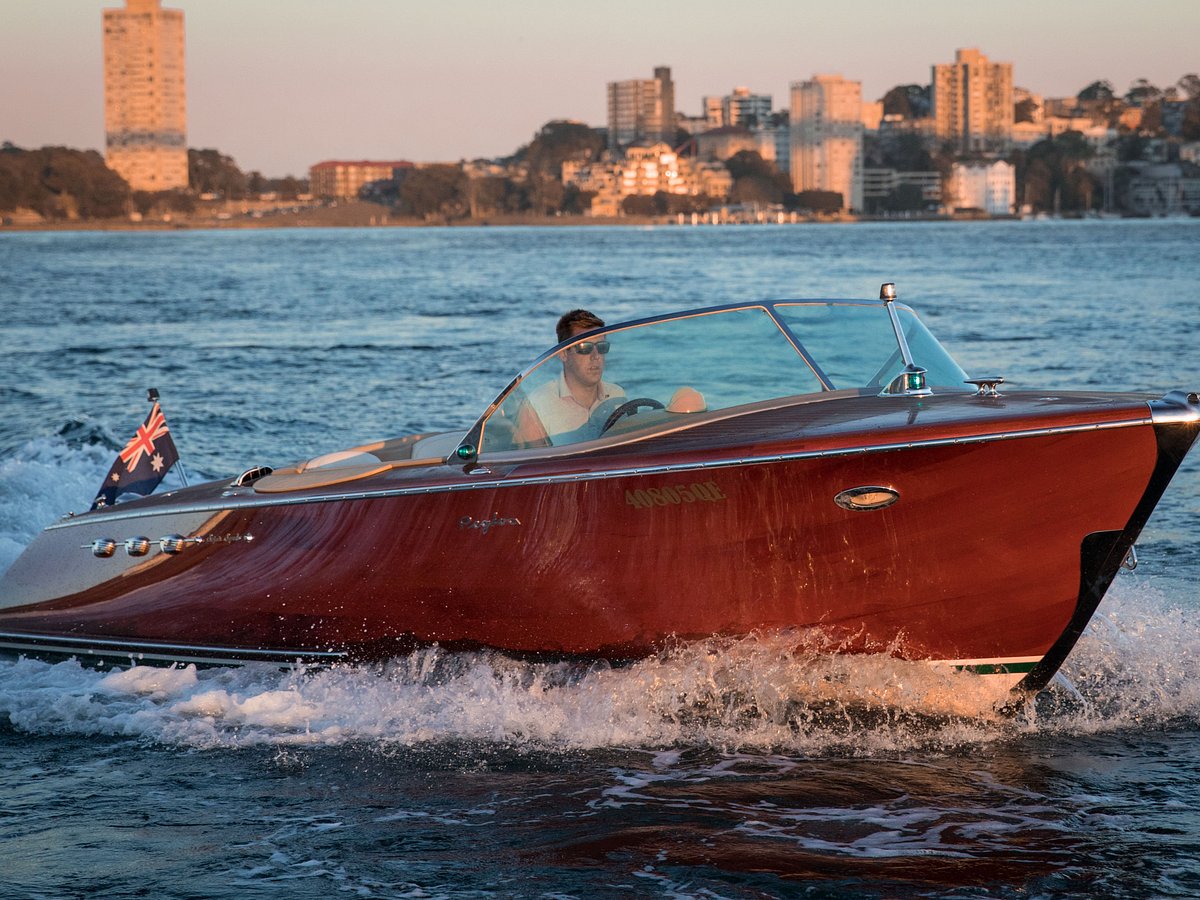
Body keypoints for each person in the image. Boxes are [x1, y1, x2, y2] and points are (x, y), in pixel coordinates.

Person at [515, 309, 625, 447]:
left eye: (602, 347)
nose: (596, 356)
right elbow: (530, 464)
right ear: (563, 354)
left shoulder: (617, 394)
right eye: (585, 347)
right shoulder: (538, 403)